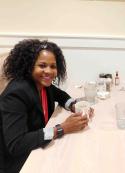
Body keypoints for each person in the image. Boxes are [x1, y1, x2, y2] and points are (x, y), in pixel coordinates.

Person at [0, 39, 93, 173]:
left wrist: (73, 105)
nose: (48, 71)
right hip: (18, 162)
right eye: (42, 65)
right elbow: (16, 144)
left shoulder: (42, 84)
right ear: (29, 66)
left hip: (37, 147)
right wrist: (61, 129)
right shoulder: (16, 93)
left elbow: (60, 95)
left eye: (53, 66)